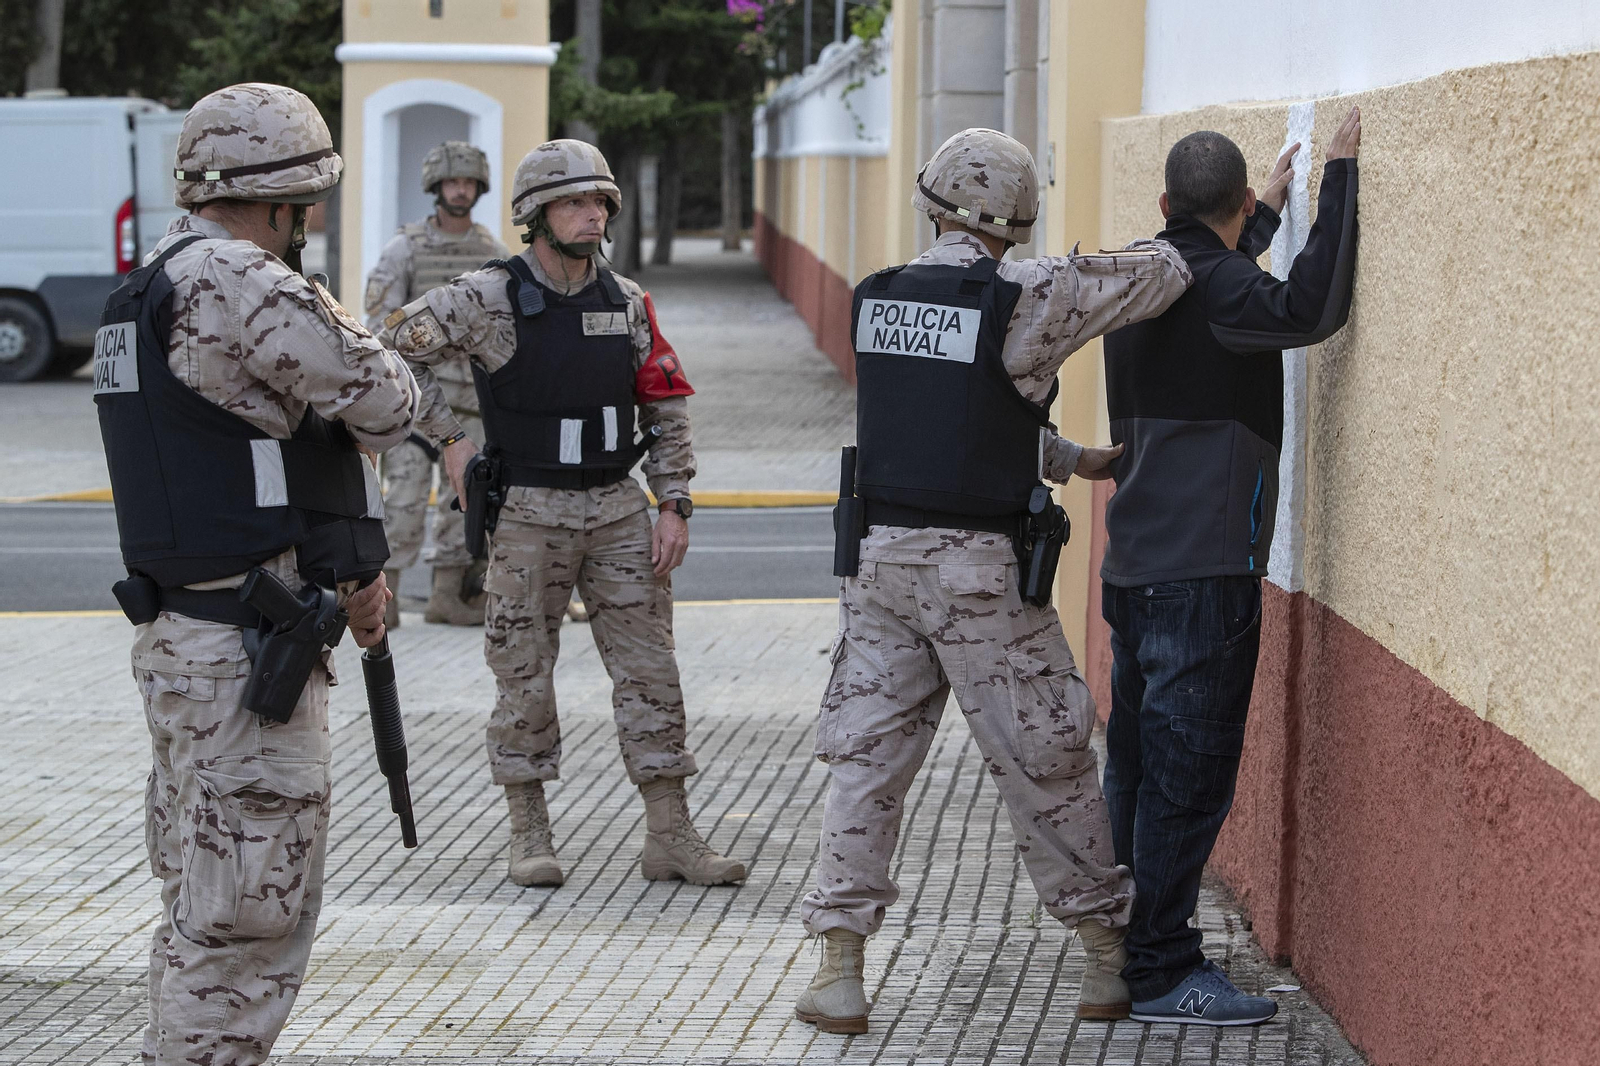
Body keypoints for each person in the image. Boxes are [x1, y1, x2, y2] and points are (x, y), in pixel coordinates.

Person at [794, 127, 1193, 1035]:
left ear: (932, 203)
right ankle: (1105, 962)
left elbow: (948, 419)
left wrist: (1065, 456)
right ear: (1015, 218)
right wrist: (1229, 222)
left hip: (878, 567)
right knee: (1046, 761)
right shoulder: (1028, 292)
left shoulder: (879, 297)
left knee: (866, 765)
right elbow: (1160, 276)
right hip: (976, 578)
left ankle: (840, 972)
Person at [93, 83, 421, 1065]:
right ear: (291, 196)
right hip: (245, 660)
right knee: (244, 931)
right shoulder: (241, 280)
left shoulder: (139, 287)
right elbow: (386, 400)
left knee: (201, 915)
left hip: (178, 644)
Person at [379, 138, 744, 890]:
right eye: (574, 202)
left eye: (599, 202)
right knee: (523, 672)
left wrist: (673, 503)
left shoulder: (629, 301)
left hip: (617, 507)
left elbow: (667, 406)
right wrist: (449, 439)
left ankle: (669, 833)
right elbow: (389, 350)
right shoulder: (487, 295)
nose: (591, 215)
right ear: (534, 216)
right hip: (527, 513)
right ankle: (529, 831)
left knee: (651, 672)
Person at [1099, 107, 1362, 1025]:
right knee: (1188, 778)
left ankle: (1121, 942)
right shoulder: (1223, 293)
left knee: (1133, 766)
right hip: (1202, 575)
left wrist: (1254, 221)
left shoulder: (1139, 277)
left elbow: (1210, 277)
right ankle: (1163, 969)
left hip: (1131, 566)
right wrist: (1341, 181)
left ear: (1164, 201)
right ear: (1240, 201)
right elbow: (1310, 309)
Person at [364, 141, 510, 628]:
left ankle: (447, 597)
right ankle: (385, 600)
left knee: (460, 505)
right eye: (452, 182)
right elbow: (379, 322)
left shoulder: (492, 253)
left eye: (468, 182)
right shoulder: (404, 249)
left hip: (469, 403)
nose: (460, 190)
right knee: (402, 502)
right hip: (414, 400)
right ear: (436, 187)